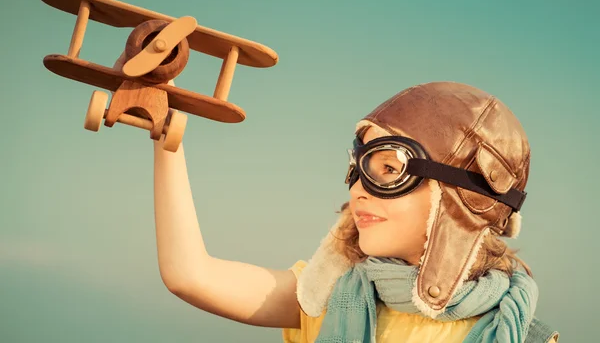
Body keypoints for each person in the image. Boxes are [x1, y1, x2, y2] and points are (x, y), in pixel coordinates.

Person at [152, 81, 559, 342]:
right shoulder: (325, 298)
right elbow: (189, 275)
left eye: (389, 169)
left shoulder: (517, 335)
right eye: (358, 165)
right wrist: (167, 134)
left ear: (459, 199)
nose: (359, 187)